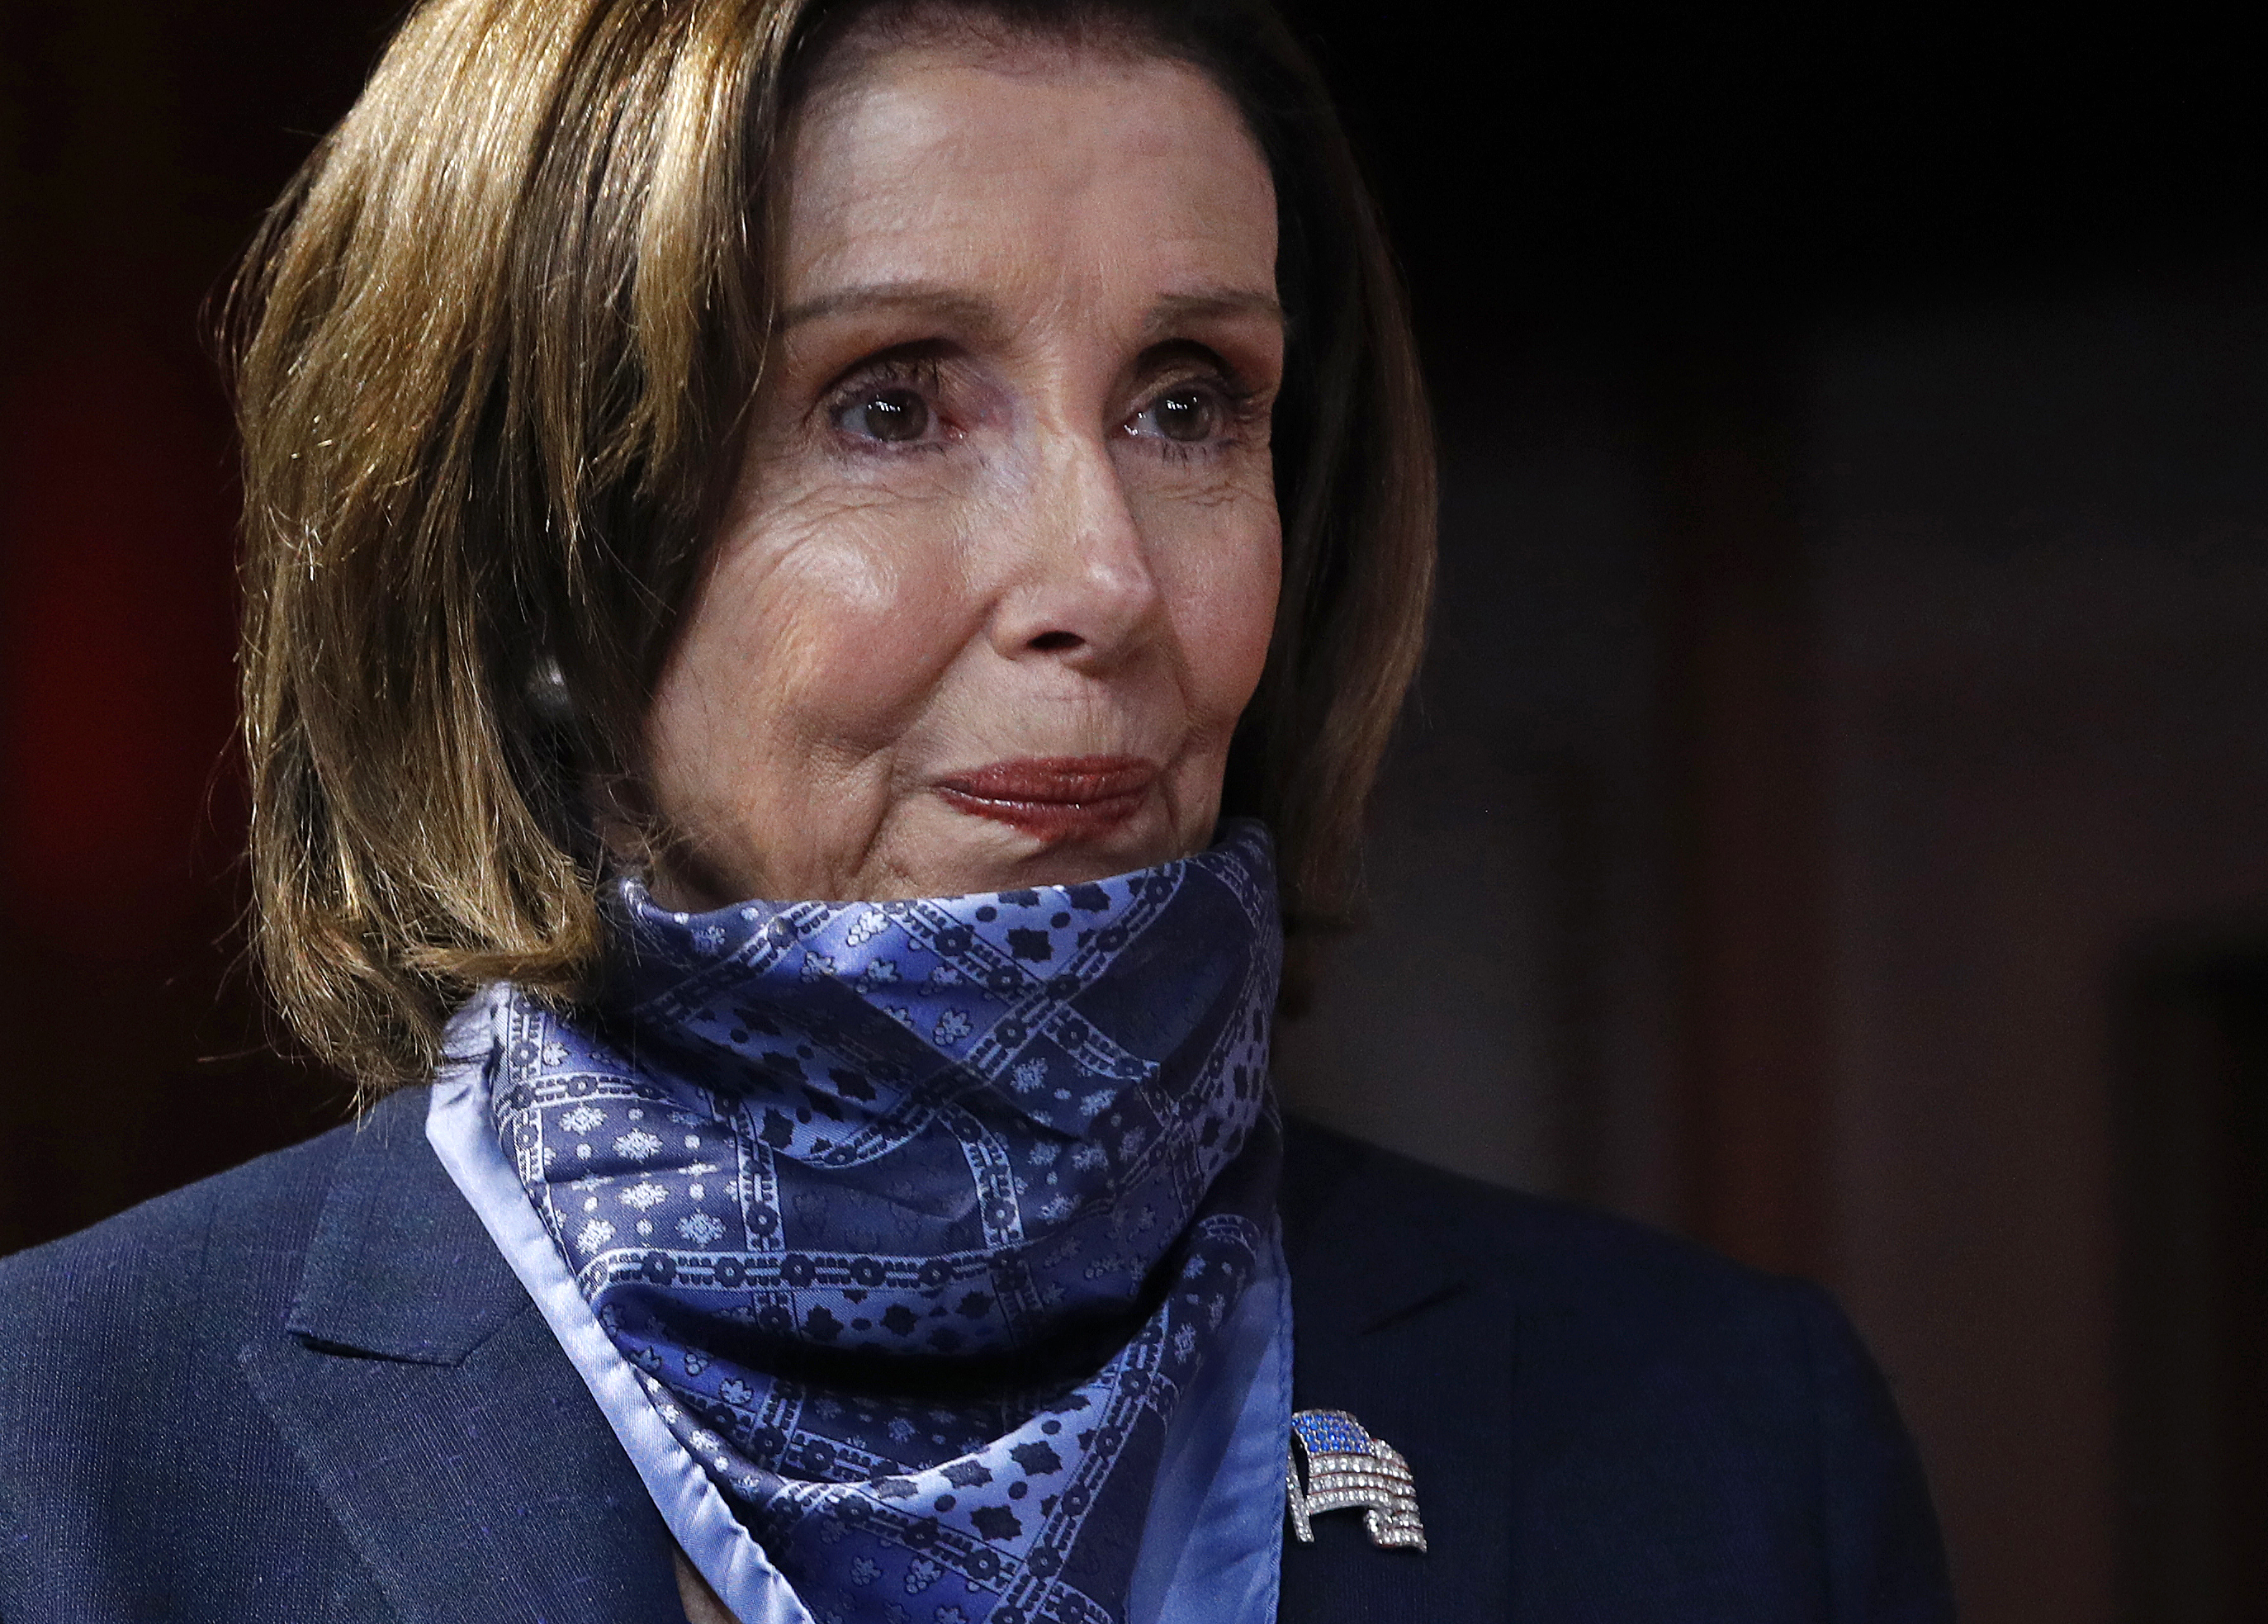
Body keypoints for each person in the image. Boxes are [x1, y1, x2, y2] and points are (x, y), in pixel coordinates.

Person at [0, 0, 1954, 1617]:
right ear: (530, 543)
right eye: (887, 402)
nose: (1103, 576)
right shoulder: (61, 1448)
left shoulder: (1728, 1440)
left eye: (1189, 400)